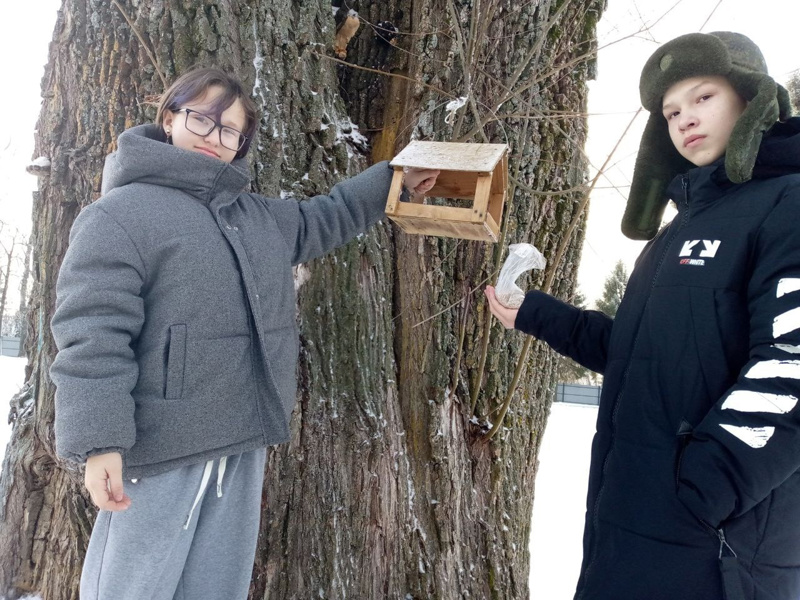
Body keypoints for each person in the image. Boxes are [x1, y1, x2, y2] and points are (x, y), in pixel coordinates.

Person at [49, 67, 439, 600]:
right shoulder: (119, 215)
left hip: (240, 439)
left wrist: (395, 176)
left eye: (230, 131)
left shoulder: (253, 217)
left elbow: (327, 216)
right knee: (131, 587)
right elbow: (92, 334)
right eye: (202, 120)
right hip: (160, 447)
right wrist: (100, 443)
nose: (215, 138)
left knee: (216, 585)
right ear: (169, 119)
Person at [486, 32, 799, 599]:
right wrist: (535, 314)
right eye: (671, 110)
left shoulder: (788, 202)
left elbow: (791, 363)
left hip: (718, 547)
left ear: (750, 99)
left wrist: (702, 491)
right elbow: (641, 352)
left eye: (702, 98)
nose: (684, 120)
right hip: (630, 517)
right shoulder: (678, 230)